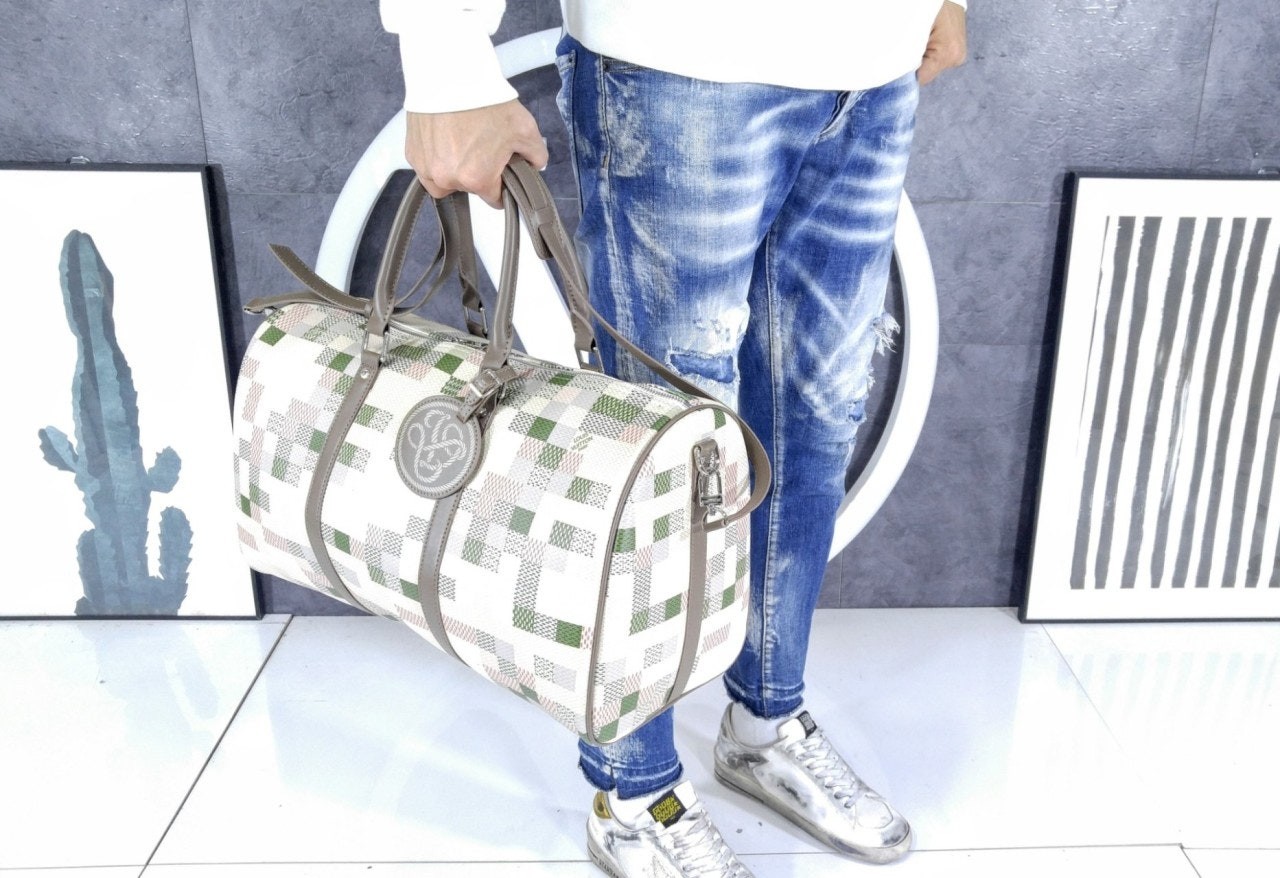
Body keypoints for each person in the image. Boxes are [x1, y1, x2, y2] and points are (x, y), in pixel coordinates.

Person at [379, 3, 967, 876]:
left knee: (813, 420)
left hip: (875, 67)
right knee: (659, 458)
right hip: (682, 59)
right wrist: (443, 52)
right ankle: (635, 796)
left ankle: (765, 724)